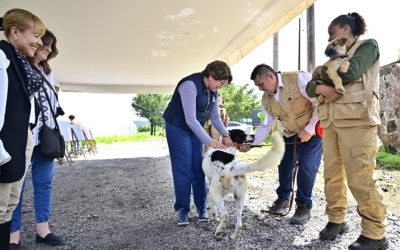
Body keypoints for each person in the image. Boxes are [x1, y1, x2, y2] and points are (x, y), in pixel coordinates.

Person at [306, 12, 388, 249]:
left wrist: (320, 75)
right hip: (331, 122)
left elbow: (350, 73)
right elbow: (311, 89)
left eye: (332, 33)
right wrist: (320, 83)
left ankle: (375, 234)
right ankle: (336, 219)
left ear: (344, 29)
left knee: (360, 176)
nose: (329, 39)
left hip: (357, 120)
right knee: (332, 175)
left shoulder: (367, 47)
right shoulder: (334, 56)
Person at [240, 64, 322, 225]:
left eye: (261, 85)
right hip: (291, 134)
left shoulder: (298, 78)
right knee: (284, 165)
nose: (260, 89)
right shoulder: (265, 100)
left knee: (307, 165)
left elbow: (319, 104)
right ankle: (283, 198)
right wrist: (252, 143)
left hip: (312, 132)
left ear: (270, 77)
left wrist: (309, 129)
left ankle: (303, 206)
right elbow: (265, 125)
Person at [10, 30, 64, 248]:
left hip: (45, 138)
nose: (48, 49)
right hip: (22, 136)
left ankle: (43, 230)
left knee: (44, 184)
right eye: (45, 44)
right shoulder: (17, 67)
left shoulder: (47, 72)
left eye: (51, 46)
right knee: (17, 187)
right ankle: (13, 234)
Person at [163, 60, 234, 226]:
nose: (221, 86)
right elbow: (190, 118)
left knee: (198, 166)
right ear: (210, 76)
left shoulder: (213, 91)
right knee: (183, 167)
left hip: (195, 128)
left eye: (224, 83)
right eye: (220, 82)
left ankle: (202, 208)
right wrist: (210, 141)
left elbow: (215, 117)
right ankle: (182, 209)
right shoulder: (189, 85)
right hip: (178, 126)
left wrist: (226, 135)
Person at [0, 8, 45, 249]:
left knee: (8, 208)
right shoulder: (1, 59)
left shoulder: (20, 63)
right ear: (14, 32)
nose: (39, 42)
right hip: (4, 149)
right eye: (35, 35)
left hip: (18, 142)